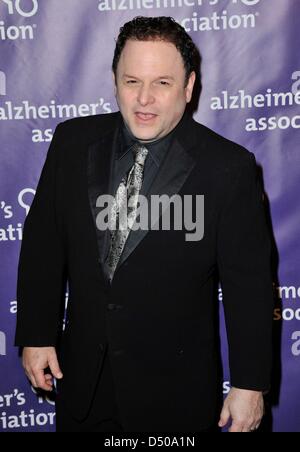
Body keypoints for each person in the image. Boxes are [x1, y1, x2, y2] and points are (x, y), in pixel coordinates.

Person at [15, 16, 274, 433]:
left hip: (174, 395)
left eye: (163, 83)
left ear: (188, 88)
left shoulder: (227, 168)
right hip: (83, 384)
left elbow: (251, 286)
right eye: (132, 81)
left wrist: (250, 384)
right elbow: (44, 245)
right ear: (115, 80)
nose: (144, 99)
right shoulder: (72, 142)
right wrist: (37, 333)